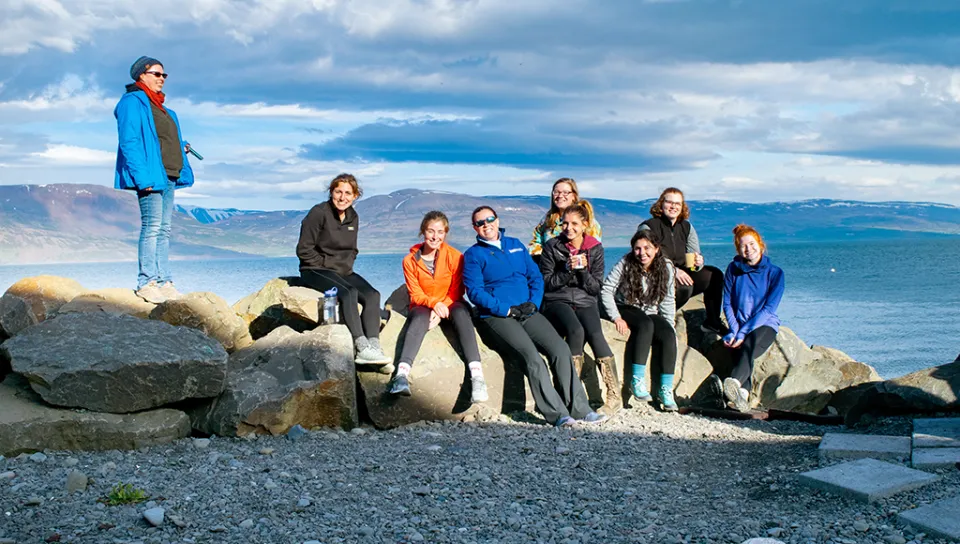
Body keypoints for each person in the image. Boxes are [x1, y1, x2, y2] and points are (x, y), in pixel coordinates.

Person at [463, 206, 607, 427]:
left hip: (527, 311)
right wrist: (505, 309)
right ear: (475, 227)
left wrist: (534, 303)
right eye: (480, 223)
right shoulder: (473, 255)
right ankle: (557, 414)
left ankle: (580, 408)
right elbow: (474, 292)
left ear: (497, 219)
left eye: (489, 219)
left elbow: (535, 277)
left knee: (560, 350)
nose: (486, 225)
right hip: (498, 316)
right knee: (532, 358)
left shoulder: (515, 245)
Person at [115, 56, 194, 303]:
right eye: (156, 74)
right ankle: (146, 281)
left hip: (169, 173)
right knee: (151, 228)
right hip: (150, 175)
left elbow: (159, 139)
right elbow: (130, 141)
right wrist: (141, 177)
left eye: (164, 75)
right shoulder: (132, 103)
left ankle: (164, 280)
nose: (162, 78)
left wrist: (181, 147)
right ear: (142, 75)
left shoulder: (164, 109)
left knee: (164, 230)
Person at [390, 211, 488, 403]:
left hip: (451, 302)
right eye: (430, 231)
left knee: (461, 313)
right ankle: (401, 375)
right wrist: (434, 305)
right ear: (423, 232)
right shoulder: (409, 261)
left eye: (440, 232)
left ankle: (477, 377)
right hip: (424, 303)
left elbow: (457, 291)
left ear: (446, 233)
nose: (435, 236)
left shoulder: (455, 257)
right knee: (418, 318)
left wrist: (441, 309)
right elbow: (416, 294)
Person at [296, 173, 391, 366]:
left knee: (373, 295)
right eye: (338, 192)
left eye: (348, 193)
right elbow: (303, 249)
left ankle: (374, 346)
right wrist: (325, 264)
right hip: (314, 269)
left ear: (355, 196)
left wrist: (344, 266)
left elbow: (352, 249)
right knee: (349, 292)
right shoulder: (318, 212)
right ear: (331, 193)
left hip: (342, 270)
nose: (342, 197)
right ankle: (361, 347)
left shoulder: (352, 217)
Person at [539, 201, 621, 414]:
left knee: (595, 335)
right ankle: (571, 393)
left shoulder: (594, 247)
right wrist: (566, 270)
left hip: (586, 299)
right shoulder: (551, 246)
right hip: (558, 299)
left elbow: (595, 287)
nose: (569, 228)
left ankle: (614, 395)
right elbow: (547, 282)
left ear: (585, 225)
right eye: (565, 223)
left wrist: (583, 270)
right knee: (575, 331)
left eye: (574, 223)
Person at [600, 230, 678, 411]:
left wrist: (668, 323)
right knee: (644, 324)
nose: (642, 253)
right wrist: (616, 316)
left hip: (650, 311)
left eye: (647, 248)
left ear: (657, 249)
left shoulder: (666, 266)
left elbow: (668, 299)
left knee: (667, 334)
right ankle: (636, 380)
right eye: (637, 248)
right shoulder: (626, 262)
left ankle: (665, 389)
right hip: (625, 306)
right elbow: (607, 289)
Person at [638, 188, 725, 334]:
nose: (673, 207)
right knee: (684, 287)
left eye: (677, 203)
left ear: (682, 206)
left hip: (681, 273)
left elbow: (694, 254)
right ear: (661, 204)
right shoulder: (648, 227)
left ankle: (712, 322)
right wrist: (673, 270)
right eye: (669, 202)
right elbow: (645, 258)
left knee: (714, 274)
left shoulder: (687, 227)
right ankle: (662, 320)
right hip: (655, 277)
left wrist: (698, 263)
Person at [720, 224, 785, 412]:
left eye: (751, 243)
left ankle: (732, 382)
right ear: (738, 250)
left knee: (747, 345)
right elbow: (727, 303)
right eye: (743, 246)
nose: (748, 249)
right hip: (738, 326)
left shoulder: (775, 273)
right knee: (739, 350)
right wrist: (733, 330)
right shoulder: (733, 269)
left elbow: (768, 309)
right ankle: (742, 396)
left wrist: (742, 332)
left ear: (760, 244)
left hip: (764, 325)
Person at [528, 178, 603, 256]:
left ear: (574, 196)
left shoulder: (588, 221)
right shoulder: (548, 220)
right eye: (556, 192)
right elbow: (536, 242)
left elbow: (594, 251)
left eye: (565, 193)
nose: (560, 196)